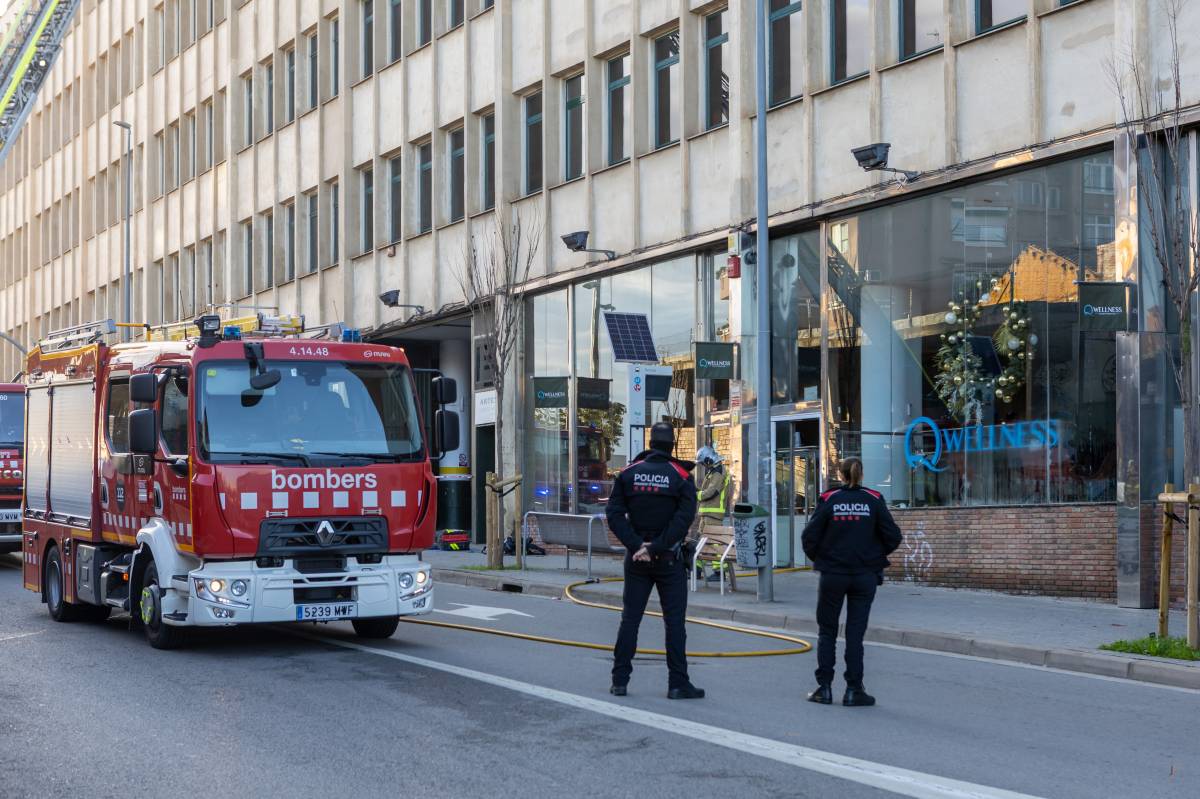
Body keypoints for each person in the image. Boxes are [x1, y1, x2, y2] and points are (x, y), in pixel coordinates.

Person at [606, 422, 705, 700]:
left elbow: (613, 514)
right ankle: (678, 684)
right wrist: (657, 547)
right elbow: (683, 520)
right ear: (672, 445)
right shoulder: (681, 477)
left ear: (650, 444)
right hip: (669, 559)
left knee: (630, 620)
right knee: (674, 624)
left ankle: (619, 681)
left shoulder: (629, 473)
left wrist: (637, 546)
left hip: (636, 559)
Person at [800, 457, 902, 707]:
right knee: (855, 635)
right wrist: (873, 557)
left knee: (827, 631)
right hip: (864, 576)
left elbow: (809, 536)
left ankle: (824, 689)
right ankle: (854, 690)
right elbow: (893, 536)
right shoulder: (874, 499)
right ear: (861, 474)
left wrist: (822, 559)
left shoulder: (829, 499)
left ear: (841, 475)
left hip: (833, 574)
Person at [695, 446, 731, 583]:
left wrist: (697, 495)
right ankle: (696, 569)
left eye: (703, 462)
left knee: (715, 543)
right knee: (701, 541)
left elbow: (712, 491)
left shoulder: (718, 471)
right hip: (708, 512)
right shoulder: (713, 471)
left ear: (708, 459)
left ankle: (719, 572)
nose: (703, 465)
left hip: (714, 513)